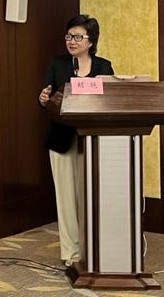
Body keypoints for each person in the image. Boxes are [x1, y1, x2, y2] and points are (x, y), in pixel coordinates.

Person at [38, 14, 114, 266]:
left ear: (91, 41)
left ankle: (94, 248)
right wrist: (43, 99)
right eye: (69, 36)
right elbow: (47, 97)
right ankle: (71, 254)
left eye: (78, 37)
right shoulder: (58, 64)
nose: (72, 41)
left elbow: (112, 100)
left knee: (91, 195)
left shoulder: (104, 67)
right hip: (62, 139)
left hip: (93, 140)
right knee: (67, 198)